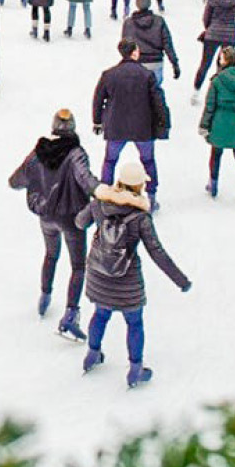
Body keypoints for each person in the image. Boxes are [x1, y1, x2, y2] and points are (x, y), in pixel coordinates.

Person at [10, 110, 149, 339]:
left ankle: (45, 296)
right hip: (72, 217)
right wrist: (106, 192)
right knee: (77, 266)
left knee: (51, 254)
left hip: (46, 216)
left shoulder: (38, 153)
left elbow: (16, 180)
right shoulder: (75, 154)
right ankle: (70, 313)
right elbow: (86, 180)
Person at [76, 160, 192, 388]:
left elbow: (80, 222)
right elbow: (156, 252)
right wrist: (181, 280)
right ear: (139, 187)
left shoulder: (100, 203)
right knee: (134, 322)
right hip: (126, 279)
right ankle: (135, 369)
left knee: (100, 313)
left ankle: (92, 354)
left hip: (99, 273)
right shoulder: (140, 218)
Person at [93, 39, 170, 212]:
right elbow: (158, 101)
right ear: (135, 52)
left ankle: (105, 195)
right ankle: (151, 196)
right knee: (148, 160)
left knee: (110, 160)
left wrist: (97, 121)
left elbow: (98, 99)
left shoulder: (109, 74)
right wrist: (162, 122)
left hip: (116, 126)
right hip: (142, 127)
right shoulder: (146, 75)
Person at [199, 46, 235, 203]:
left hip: (221, 120)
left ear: (227, 60)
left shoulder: (217, 80)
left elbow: (210, 105)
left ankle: (213, 185)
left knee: (216, 154)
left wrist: (204, 125)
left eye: (221, 58)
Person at [121, 0, 179, 85]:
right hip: (155, 62)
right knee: (155, 93)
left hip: (137, 63)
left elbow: (125, 47)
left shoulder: (129, 23)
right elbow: (167, 44)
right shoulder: (159, 21)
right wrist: (174, 63)